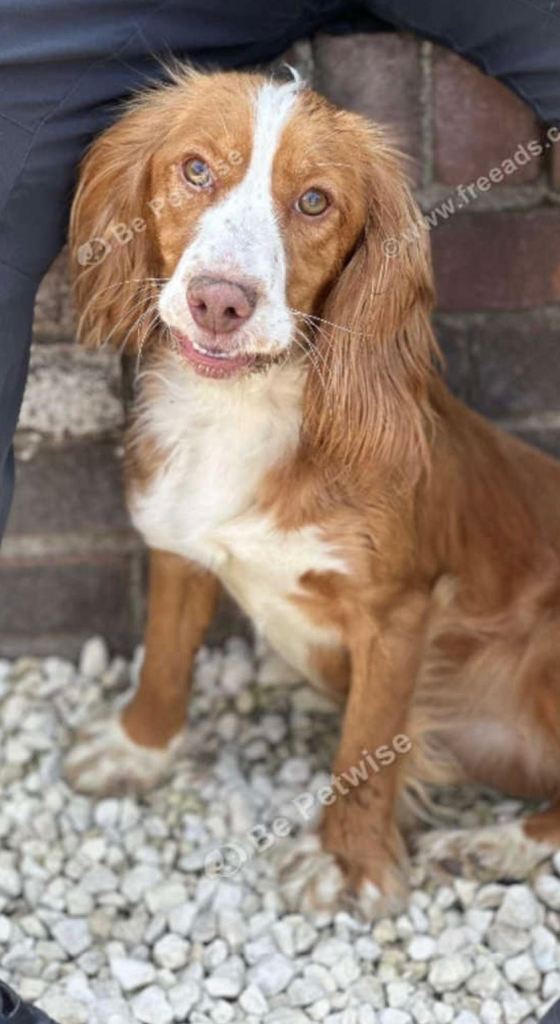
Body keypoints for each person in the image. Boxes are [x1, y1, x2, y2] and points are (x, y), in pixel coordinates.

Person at [0, 2, 559, 1019]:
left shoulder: (368, 456)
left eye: (310, 203)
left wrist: (354, 822)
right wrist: (148, 729)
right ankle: (152, 723)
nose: (228, 274)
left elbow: (397, 613)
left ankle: (374, 837)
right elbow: (186, 550)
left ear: (357, 255)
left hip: (521, 651)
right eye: (197, 176)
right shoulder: (168, 441)